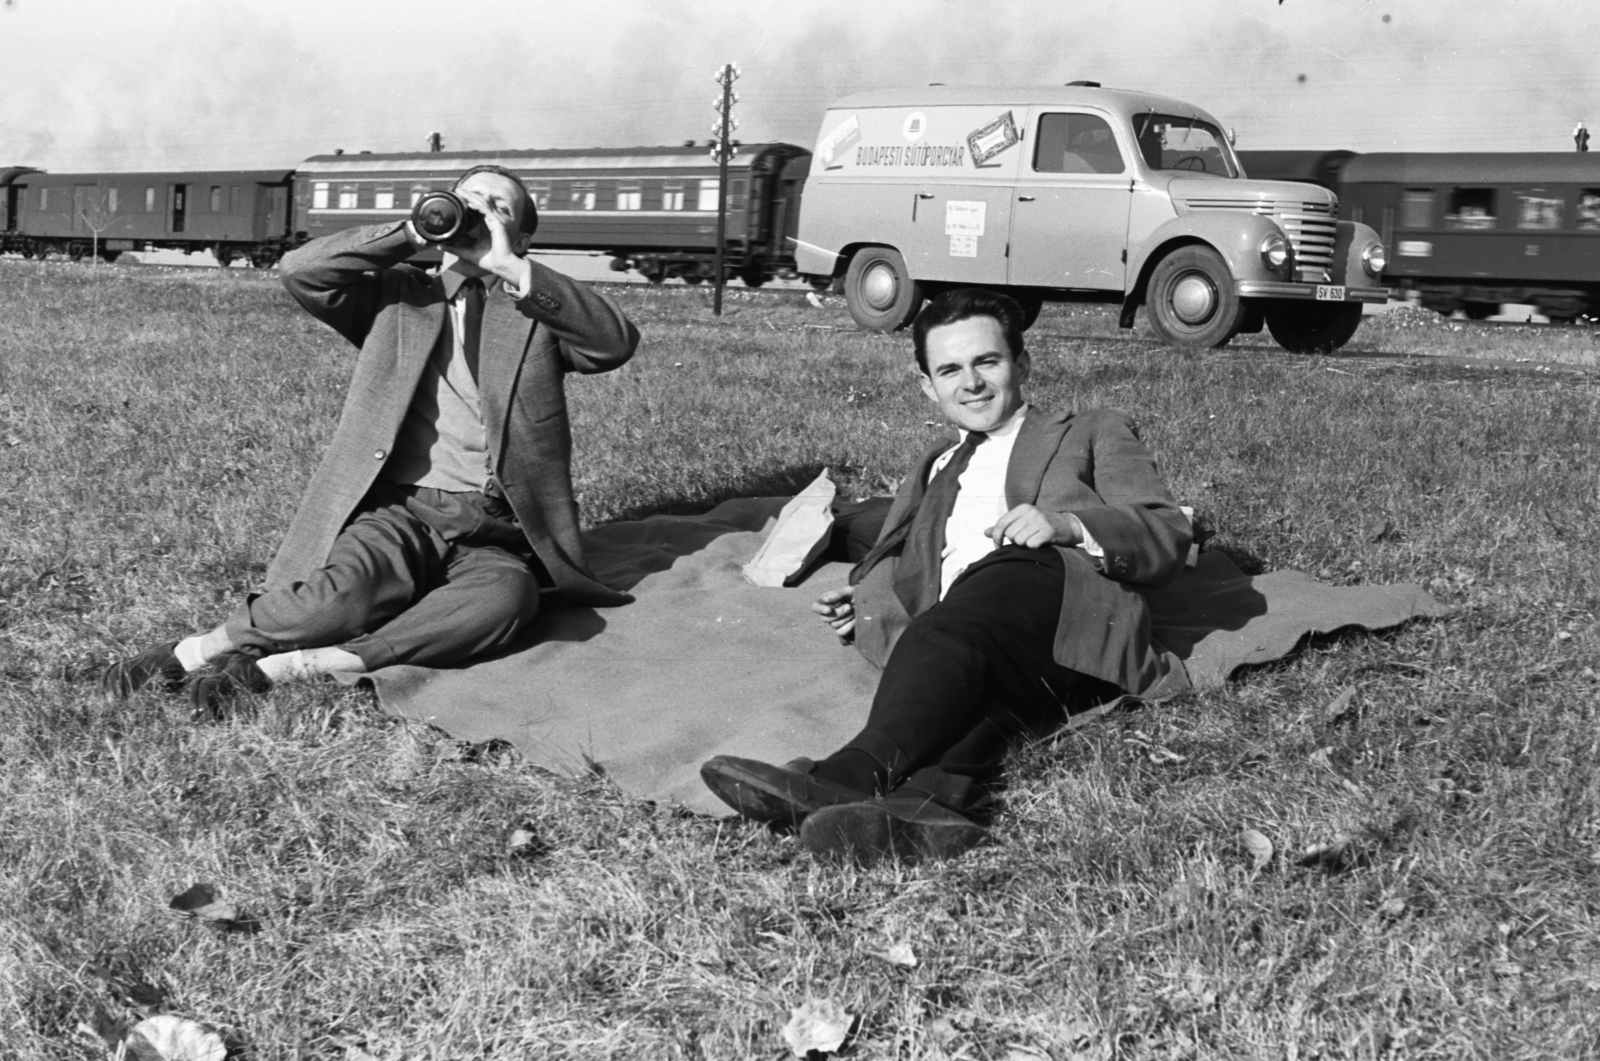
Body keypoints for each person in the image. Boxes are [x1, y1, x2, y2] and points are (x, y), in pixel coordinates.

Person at [101, 165, 640, 715]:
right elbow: (300, 270)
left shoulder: (531, 311)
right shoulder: (398, 297)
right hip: (403, 511)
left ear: (521, 237)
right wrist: (414, 232)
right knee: (341, 596)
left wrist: (508, 266)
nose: (478, 212)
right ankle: (193, 652)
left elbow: (614, 343)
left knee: (505, 602)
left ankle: (307, 665)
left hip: (497, 531)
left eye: (497, 208)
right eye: (467, 200)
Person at [700, 288, 1190, 862]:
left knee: (964, 610)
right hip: (991, 648)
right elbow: (900, 547)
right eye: (950, 370)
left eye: (987, 362)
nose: (972, 383)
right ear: (929, 386)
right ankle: (928, 806)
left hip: (1059, 596)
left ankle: (847, 772)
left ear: (1021, 364)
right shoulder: (935, 463)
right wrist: (864, 597)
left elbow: (1166, 529)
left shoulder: (1089, 430)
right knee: (967, 675)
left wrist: (1065, 525)